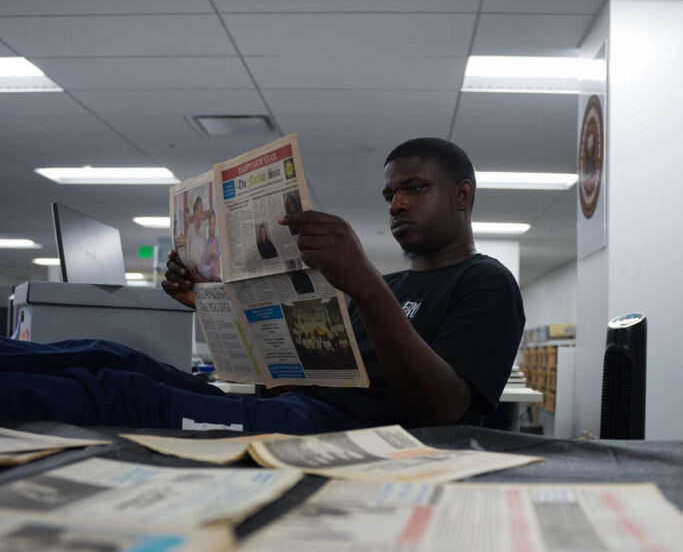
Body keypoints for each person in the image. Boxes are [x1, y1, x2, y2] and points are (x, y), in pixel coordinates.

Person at [0, 138, 524, 433]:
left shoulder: (486, 283)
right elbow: (284, 379)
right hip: (294, 410)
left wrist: (364, 285)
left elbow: (443, 410)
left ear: (462, 196)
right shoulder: (388, 284)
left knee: (120, 393)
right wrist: (211, 303)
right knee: (111, 357)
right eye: (390, 194)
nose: (397, 205)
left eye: (414, 189)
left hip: (351, 437)